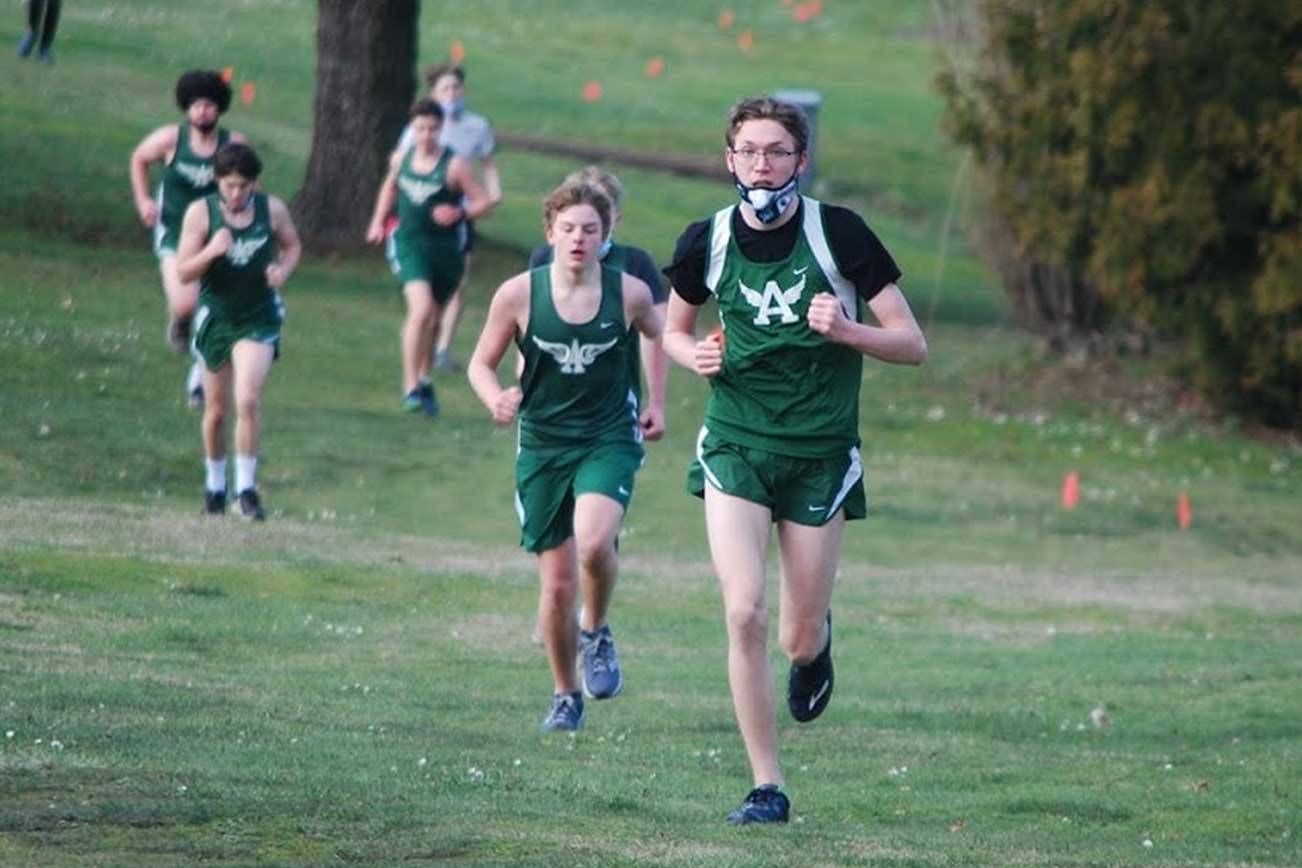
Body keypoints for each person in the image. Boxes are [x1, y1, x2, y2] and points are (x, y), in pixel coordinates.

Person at [661, 96, 927, 824]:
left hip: (818, 453)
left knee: (794, 636)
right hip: (736, 443)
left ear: (800, 160)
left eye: (776, 150)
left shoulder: (840, 234)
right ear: (729, 160)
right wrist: (695, 354)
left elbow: (912, 343)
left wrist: (847, 330)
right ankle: (766, 785)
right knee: (743, 610)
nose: (762, 163)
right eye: (748, 150)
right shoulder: (706, 239)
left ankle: (816, 646)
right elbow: (670, 330)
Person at [467, 182, 662, 733]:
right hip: (544, 443)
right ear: (550, 232)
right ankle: (564, 694)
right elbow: (480, 364)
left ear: (606, 237)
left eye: (591, 229)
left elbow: (661, 336)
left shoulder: (630, 293)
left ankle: (595, 629)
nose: (579, 238)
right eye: (569, 228)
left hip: (608, 435)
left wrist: (704, 358)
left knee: (596, 540)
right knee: (555, 585)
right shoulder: (516, 295)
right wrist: (495, 397)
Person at [175, 142, 301, 521]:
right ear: (217, 182)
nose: (236, 193)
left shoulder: (272, 209)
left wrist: (283, 271)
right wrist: (212, 250)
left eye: (243, 186)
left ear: (254, 184)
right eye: (229, 185)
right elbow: (183, 271)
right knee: (216, 412)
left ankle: (245, 490)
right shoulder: (201, 214)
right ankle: (216, 485)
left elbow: (293, 246)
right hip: (217, 319)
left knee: (247, 400)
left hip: (258, 318)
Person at [367, 98, 492, 416]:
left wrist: (460, 211)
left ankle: (423, 379)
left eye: (433, 129)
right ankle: (410, 386)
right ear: (412, 128)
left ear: (441, 129)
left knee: (434, 320)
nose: (426, 135)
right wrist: (378, 221)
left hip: (445, 250)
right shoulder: (401, 158)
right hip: (409, 243)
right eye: (420, 128)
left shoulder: (454, 165)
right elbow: (390, 187)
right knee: (420, 311)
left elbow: (483, 201)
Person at [130, 70, 247, 410]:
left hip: (215, 237)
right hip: (174, 231)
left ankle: (199, 379)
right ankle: (180, 322)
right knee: (185, 303)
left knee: (215, 307)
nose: (202, 112)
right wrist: (143, 200)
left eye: (209, 105)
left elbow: (250, 182)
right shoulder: (171, 140)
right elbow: (139, 158)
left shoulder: (233, 145)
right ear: (186, 108)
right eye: (196, 105)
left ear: (220, 109)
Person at [529, 166, 669, 442]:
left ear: (613, 217)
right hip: (550, 408)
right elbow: (527, 325)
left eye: (600, 209)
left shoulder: (634, 263)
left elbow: (658, 334)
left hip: (612, 410)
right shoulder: (544, 258)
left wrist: (656, 403)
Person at [396, 63, 503, 374]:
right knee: (428, 291)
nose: (452, 94)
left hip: (460, 213)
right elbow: (399, 165)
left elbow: (487, 163)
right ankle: (426, 341)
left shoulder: (476, 126)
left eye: (456, 88)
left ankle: (442, 347)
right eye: (445, 89)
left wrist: (493, 193)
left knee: (458, 281)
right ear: (433, 93)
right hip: (422, 216)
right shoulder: (419, 129)